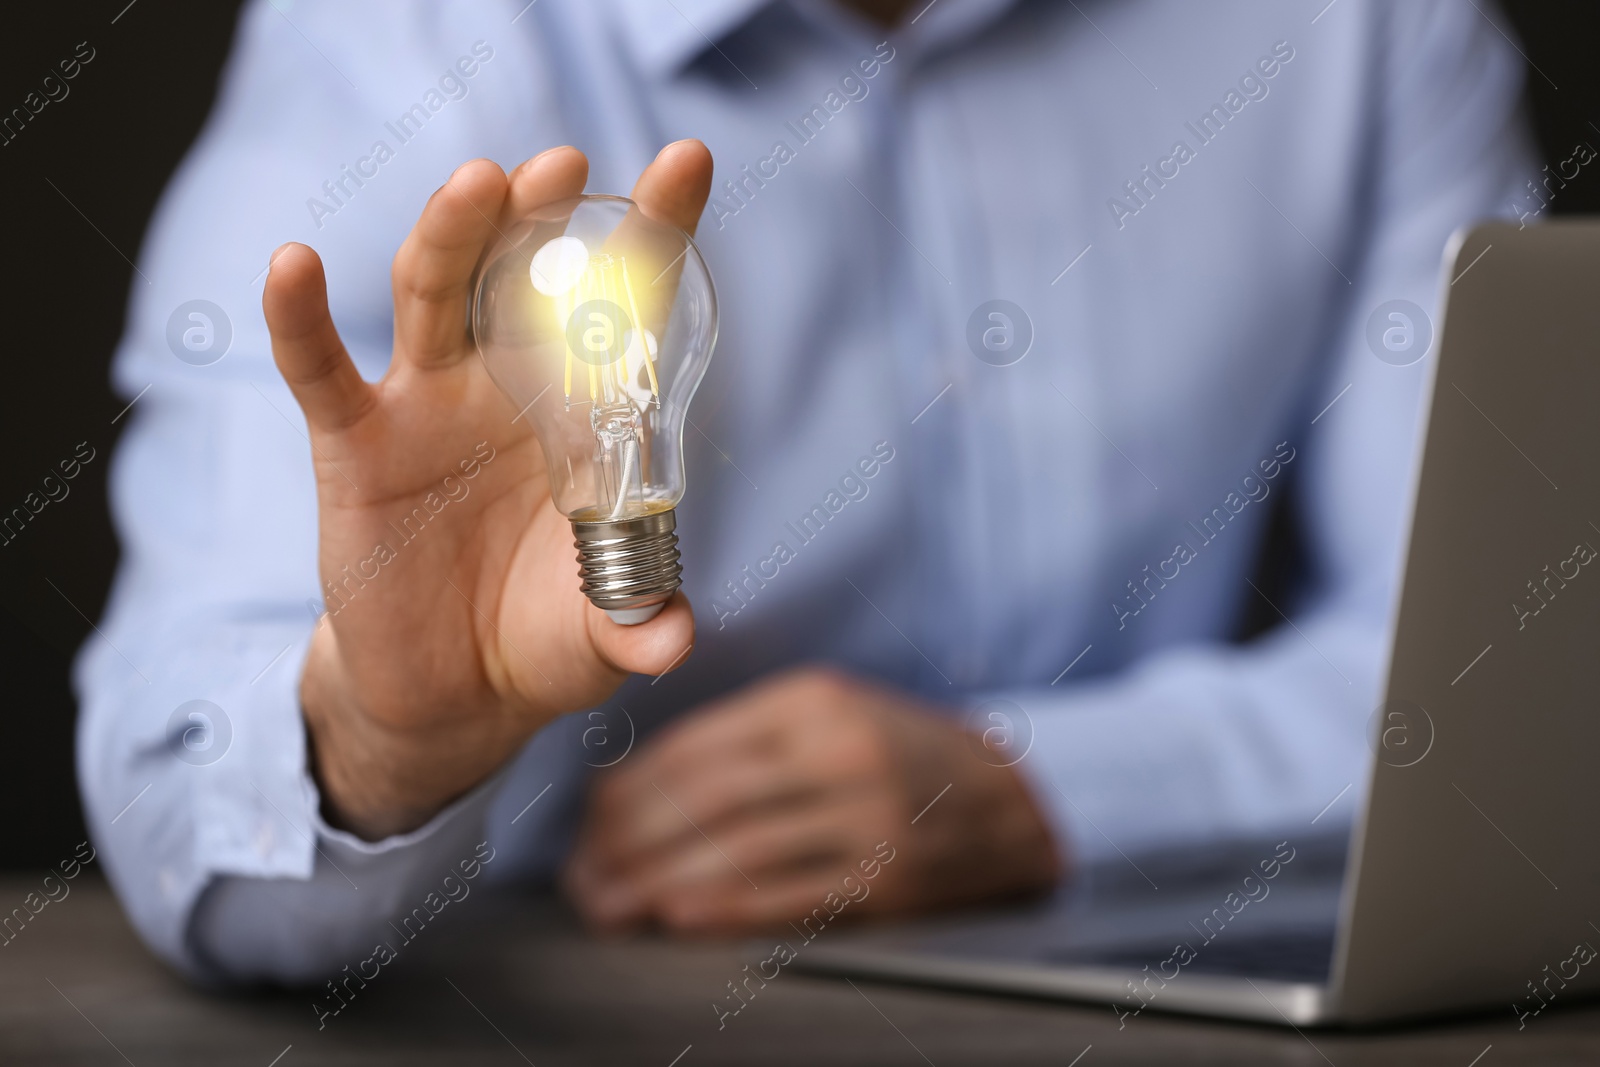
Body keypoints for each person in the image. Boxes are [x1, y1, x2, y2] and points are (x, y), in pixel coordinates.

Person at [77, 0, 1534, 982]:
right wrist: (385, 742)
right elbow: (183, 794)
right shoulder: (405, 43)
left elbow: (1516, 682)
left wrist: (1049, 785)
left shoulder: (1363, 30)